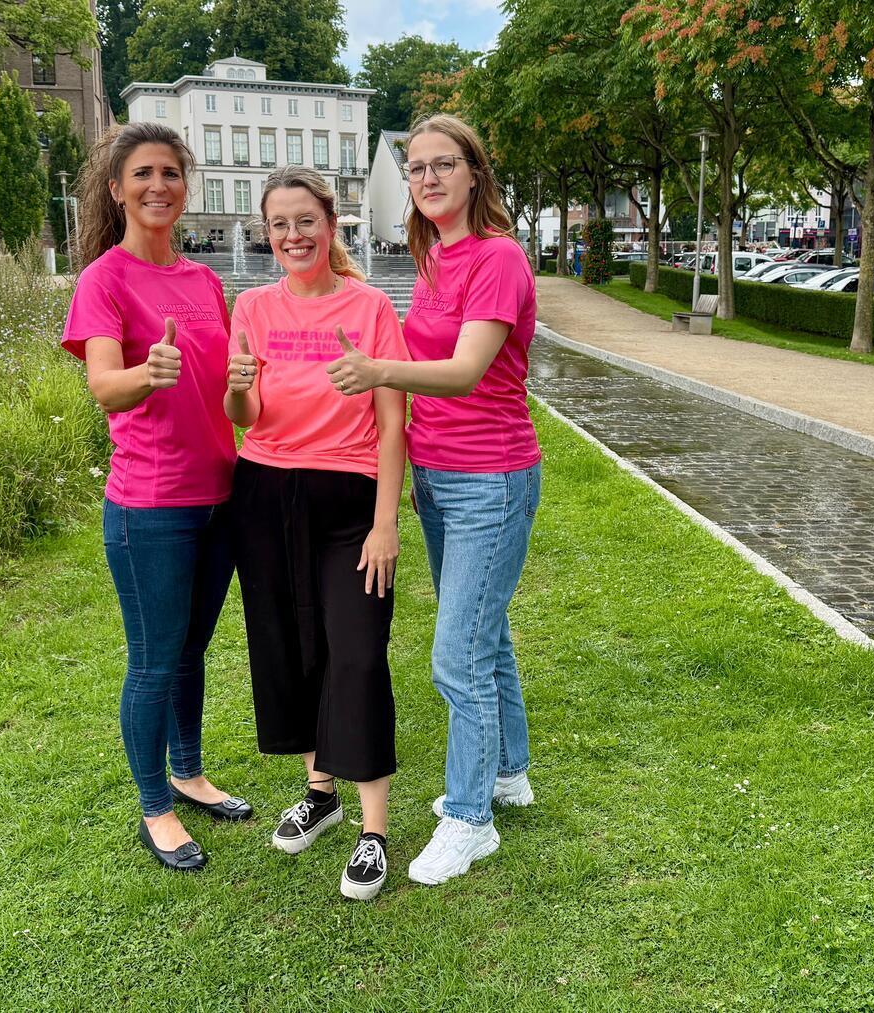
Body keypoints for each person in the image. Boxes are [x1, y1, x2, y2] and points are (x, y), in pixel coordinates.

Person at [325, 114, 541, 886]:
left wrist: (380, 371)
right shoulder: (435, 258)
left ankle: (469, 818)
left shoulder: (498, 258)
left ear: (475, 173)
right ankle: (508, 773)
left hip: (492, 477)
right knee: (489, 637)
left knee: (458, 657)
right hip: (441, 479)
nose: (426, 179)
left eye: (442, 165)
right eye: (414, 168)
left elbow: (464, 370)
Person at [60, 123, 251, 873]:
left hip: (221, 494)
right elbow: (103, 383)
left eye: (171, 172)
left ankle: (188, 768)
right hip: (150, 504)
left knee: (191, 649)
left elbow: (233, 387)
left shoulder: (204, 283)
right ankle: (155, 806)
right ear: (117, 189)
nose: (158, 185)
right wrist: (149, 371)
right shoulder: (103, 279)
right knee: (153, 659)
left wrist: (245, 385)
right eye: (142, 173)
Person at [225, 165, 408, 901]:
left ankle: (374, 831)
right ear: (266, 233)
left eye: (306, 221)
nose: (293, 235)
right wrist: (238, 383)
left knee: (357, 651)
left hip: (349, 496)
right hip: (265, 491)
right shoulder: (253, 306)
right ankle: (319, 789)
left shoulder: (369, 309)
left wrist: (386, 521)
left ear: (331, 225)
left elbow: (394, 420)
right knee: (290, 646)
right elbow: (244, 416)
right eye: (279, 225)